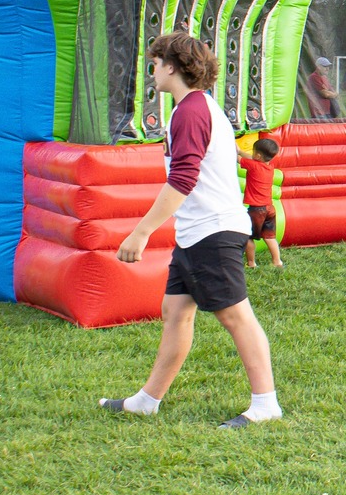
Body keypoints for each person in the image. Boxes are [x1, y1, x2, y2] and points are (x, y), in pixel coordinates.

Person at [99, 31, 280, 428]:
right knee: (175, 313)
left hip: (212, 233)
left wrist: (141, 232)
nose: (153, 72)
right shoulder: (194, 108)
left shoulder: (192, 111)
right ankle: (147, 400)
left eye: (156, 63)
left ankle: (266, 404)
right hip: (197, 233)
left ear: (172, 66)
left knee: (236, 317)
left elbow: (183, 179)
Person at [240, 135, 283, 270]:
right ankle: (277, 262)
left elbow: (239, 160)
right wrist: (240, 151)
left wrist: (233, 149)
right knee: (270, 237)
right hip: (269, 208)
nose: (251, 154)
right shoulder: (269, 166)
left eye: (253, 152)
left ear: (258, 155)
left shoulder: (253, 166)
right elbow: (250, 158)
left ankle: (251, 263)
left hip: (256, 210)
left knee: (248, 236)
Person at [308, 56, 338, 120]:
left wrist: (331, 93)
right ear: (318, 67)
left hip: (327, 112)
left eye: (328, 66)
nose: (327, 69)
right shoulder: (314, 77)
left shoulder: (324, 77)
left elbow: (332, 90)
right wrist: (333, 94)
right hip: (318, 113)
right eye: (325, 66)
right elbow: (325, 94)